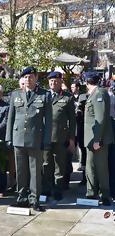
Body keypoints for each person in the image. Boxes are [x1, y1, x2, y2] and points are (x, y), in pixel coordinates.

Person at [5, 66, 52, 211]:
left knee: (35, 171)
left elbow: (48, 121)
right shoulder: (15, 94)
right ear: (22, 79)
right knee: (20, 170)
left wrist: (46, 140)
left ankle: (34, 199)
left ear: (36, 78)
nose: (28, 79)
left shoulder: (44, 95)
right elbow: (10, 118)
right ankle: (21, 197)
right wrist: (8, 137)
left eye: (31, 77)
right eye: (25, 77)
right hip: (18, 137)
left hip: (35, 139)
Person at [42, 72, 76, 201]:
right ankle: (46, 188)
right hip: (45, 137)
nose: (53, 83)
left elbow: (72, 121)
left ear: (60, 82)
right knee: (46, 164)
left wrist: (72, 139)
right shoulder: (44, 96)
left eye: (55, 81)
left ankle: (58, 189)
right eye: (51, 81)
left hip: (61, 137)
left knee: (59, 165)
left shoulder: (67, 97)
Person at [83, 72, 113, 206]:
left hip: (96, 139)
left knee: (100, 168)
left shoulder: (99, 93)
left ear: (87, 81)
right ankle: (91, 193)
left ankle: (105, 195)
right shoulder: (95, 93)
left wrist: (97, 140)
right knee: (90, 167)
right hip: (91, 139)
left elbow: (100, 119)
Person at [71, 80, 87, 184]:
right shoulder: (69, 97)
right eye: (71, 87)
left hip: (81, 127)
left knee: (83, 149)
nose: (72, 88)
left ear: (78, 87)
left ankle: (84, 176)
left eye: (74, 87)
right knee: (70, 149)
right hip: (72, 127)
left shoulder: (84, 97)